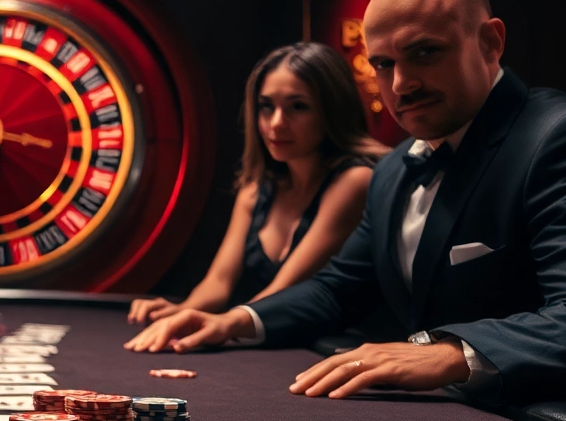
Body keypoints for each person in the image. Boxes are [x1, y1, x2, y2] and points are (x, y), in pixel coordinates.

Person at [136, 0, 566, 404]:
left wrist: (448, 353)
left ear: (490, 42)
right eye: (382, 64)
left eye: (424, 53)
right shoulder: (394, 170)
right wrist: (237, 322)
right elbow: (337, 292)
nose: (400, 84)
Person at [124, 42, 388, 352]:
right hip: (276, 345)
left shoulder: (355, 181)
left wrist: (216, 324)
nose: (276, 122)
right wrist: (180, 313)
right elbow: (218, 283)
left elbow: (283, 290)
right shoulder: (256, 189)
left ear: (331, 110)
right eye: (266, 106)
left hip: (337, 351)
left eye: (297, 106)